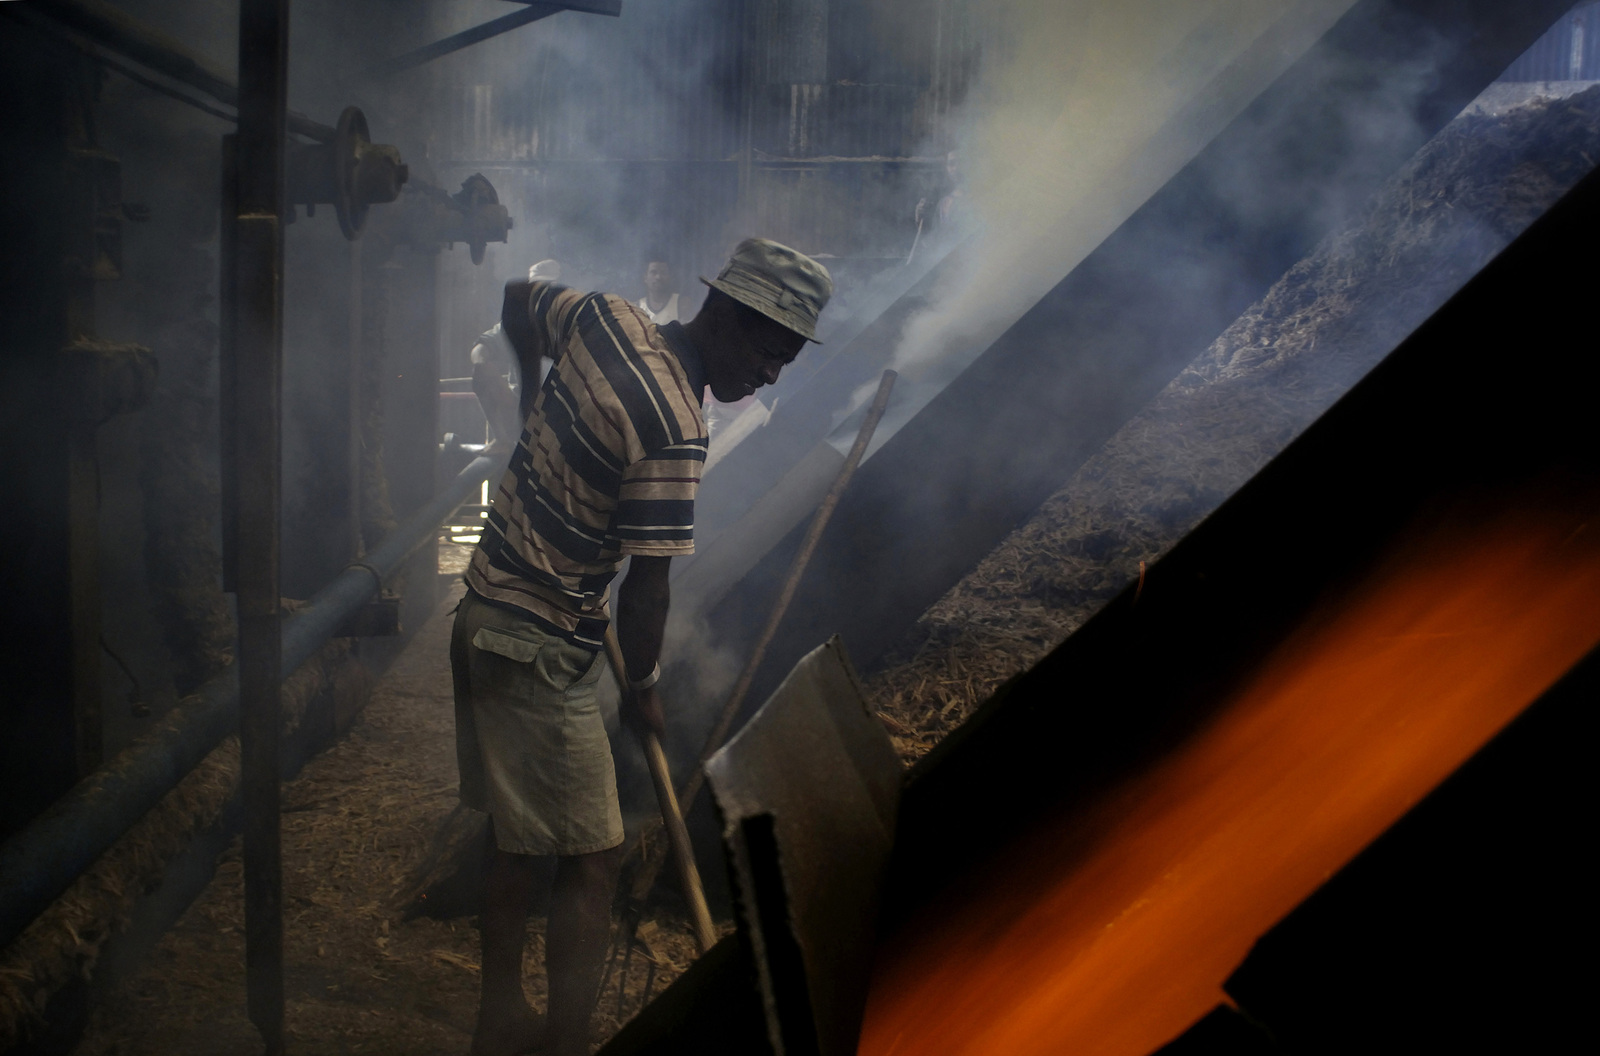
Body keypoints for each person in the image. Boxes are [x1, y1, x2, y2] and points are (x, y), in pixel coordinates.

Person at [453, 238, 832, 1056]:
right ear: (728, 313)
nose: (772, 375)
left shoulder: (608, 317)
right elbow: (649, 587)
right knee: (594, 860)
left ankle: (499, 1016)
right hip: (536, 639)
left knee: (517, 834)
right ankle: (564, 1043)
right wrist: (647, 687)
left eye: (788, 361)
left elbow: (519, 298)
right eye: (771, 352)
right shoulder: (675, 430)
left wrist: (528, 399)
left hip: (488, 607)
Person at [636, 254, 679, 324]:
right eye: (653, 272)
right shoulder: (637, 308)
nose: (658, 277)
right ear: (645, 278)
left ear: (670, 278)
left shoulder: (681, 303)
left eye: (663, 272)